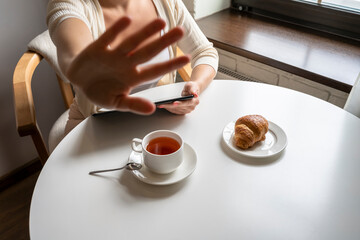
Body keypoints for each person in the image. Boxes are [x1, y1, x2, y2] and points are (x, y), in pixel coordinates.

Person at [47, 0, 219, 134]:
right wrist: (87, 72)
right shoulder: (69, 4)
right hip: (93, 125)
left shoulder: (167, 3)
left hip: (157, 118)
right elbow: (74, 53)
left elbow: (204, 52)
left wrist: (195, 87)